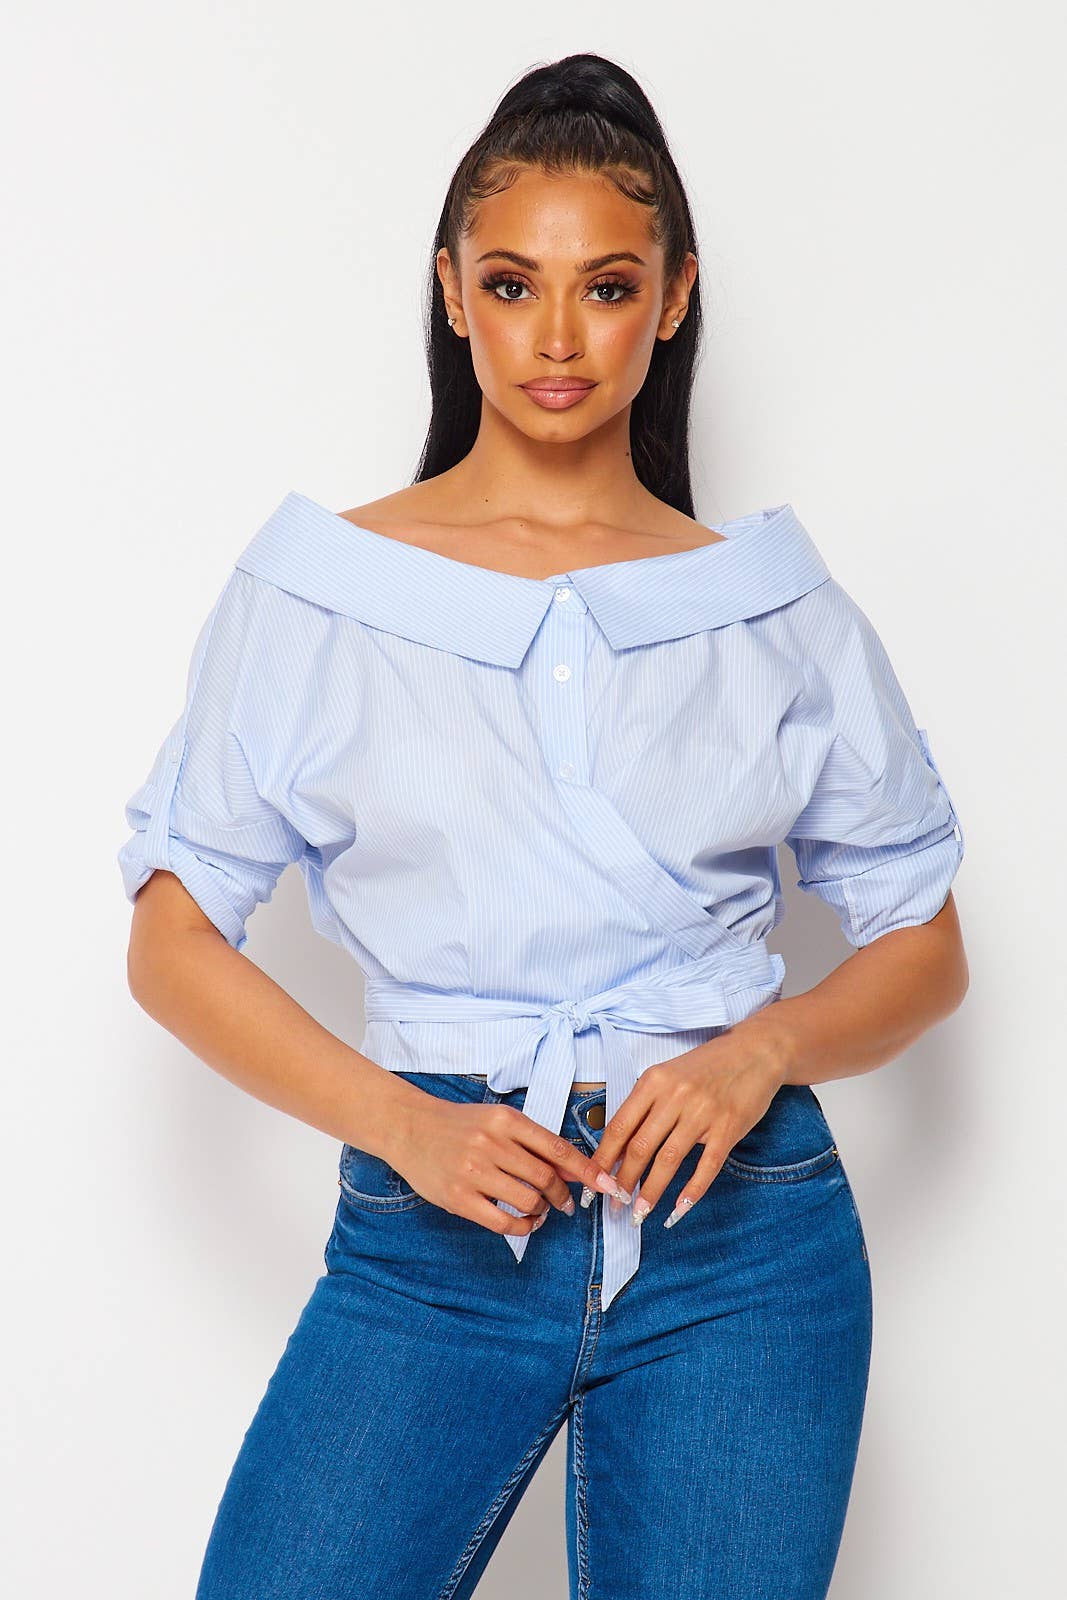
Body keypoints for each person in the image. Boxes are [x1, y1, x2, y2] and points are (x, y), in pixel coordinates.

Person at [118, 52, 968, 1600]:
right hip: (434, 1232)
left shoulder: (768, 604)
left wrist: (761, 1053)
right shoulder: (320, 592)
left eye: (608, 287)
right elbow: (171, 943)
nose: (559, 339)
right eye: (513, 284)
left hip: (742, 1239)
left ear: (675, 298)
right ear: (452, 293)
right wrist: (404, 1126)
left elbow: (926, 941)